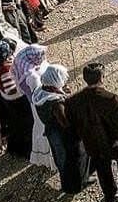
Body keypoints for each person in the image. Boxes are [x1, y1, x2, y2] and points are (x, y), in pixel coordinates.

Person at [66, 63, 118, 202]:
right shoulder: (110, 98)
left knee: (102, 168)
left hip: (92, 142)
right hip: (115, 140)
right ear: (101, 78)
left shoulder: (72, 101)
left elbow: (72, 122)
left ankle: (109, 195)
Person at [33, 64, 90, 194]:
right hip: (63, 135)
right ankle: (76, 185)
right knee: (72, 159)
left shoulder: (41, 92)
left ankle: (69, 183)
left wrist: (63, 92)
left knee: (61, 159)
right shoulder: (56, 103)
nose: (64, 81)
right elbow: (66, 123)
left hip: (51, 131)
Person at [12, 44, 56, 170]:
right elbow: (40, 95)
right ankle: (49, 159)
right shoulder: (32, 76)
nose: (43, 58)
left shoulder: (27, 66)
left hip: (36, 105)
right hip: (41, 106)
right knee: (46, 130)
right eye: (40, 56)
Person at [0, 39, 33, 158]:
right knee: (24, 124)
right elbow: (11, 89)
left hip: (8, 100)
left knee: (14, 123)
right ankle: (25, 150)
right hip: (16, 100)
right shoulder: (4, 70)